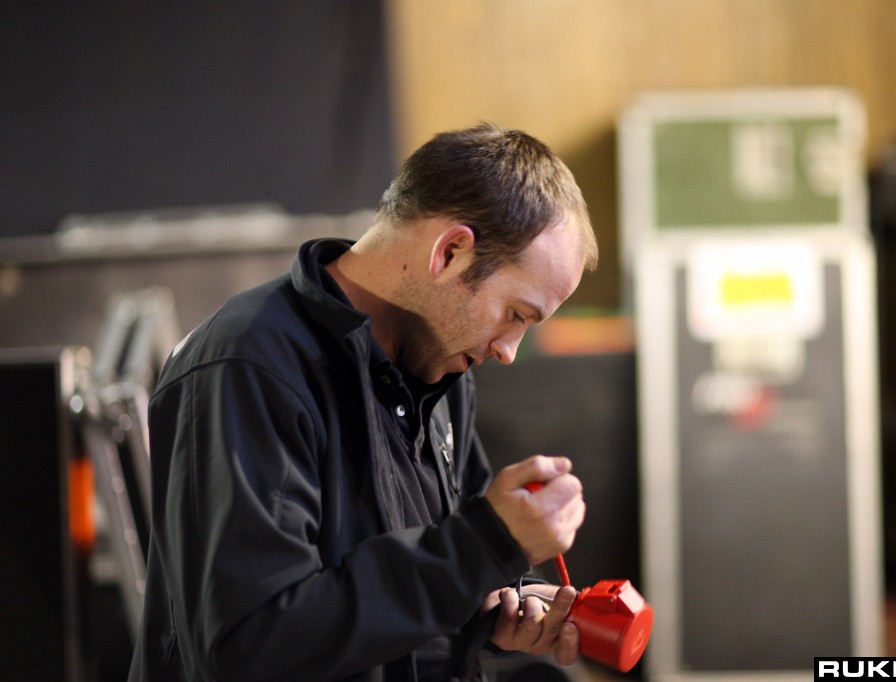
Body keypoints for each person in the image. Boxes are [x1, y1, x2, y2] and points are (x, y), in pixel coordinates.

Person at [129, 122, 600, 681]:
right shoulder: (250, 367)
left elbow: (425, 577)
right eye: (516, 315)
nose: (509, 351)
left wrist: (495, 606)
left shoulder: (442, 370)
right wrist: (479, 549)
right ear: (449, 252)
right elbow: (251, 647)